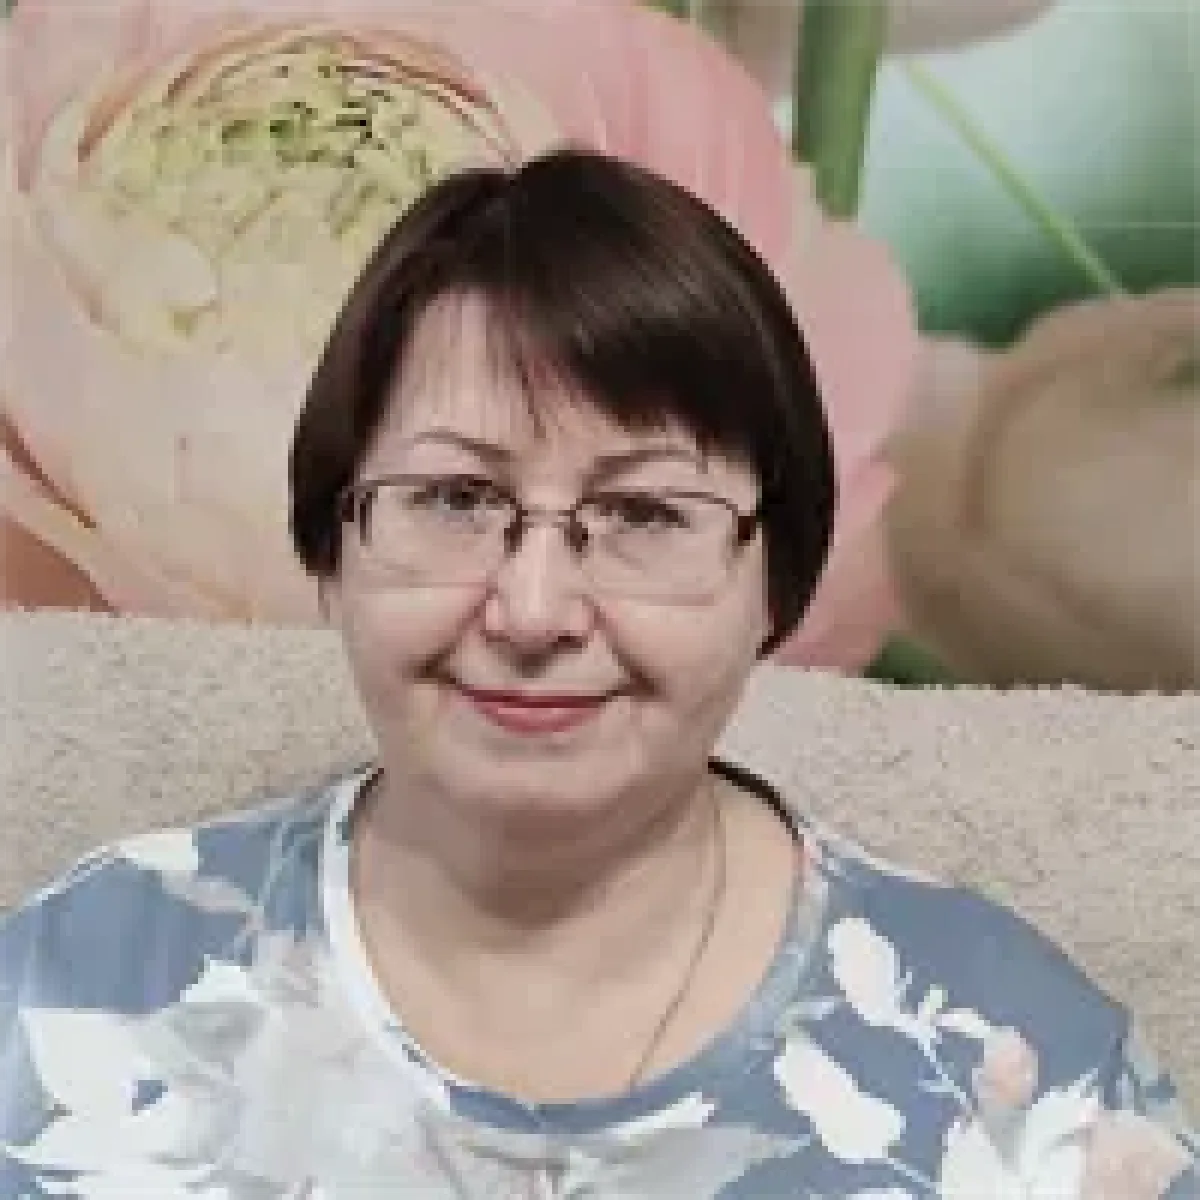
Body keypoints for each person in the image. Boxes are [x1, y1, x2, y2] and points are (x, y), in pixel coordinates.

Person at [0, 146, 1195, 1199]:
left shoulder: (1005, 1063)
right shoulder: (80, 987)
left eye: (644, 514)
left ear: (776, 579)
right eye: (454, 499)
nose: (532, 612)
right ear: (332, 545)